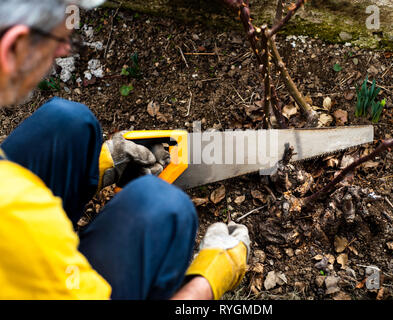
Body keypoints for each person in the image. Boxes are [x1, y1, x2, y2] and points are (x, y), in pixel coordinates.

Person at [0, 0, 250, 300]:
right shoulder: (20, 216)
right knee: (165, 209)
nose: (63, 50)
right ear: (12, 47)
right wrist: (208, 282)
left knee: (67, 124)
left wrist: (94, 167)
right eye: (56, 38)